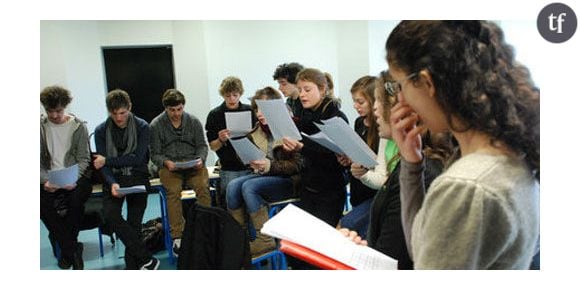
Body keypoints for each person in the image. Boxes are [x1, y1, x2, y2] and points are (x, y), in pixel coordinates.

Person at [387, 21, 540, 269]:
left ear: (426, 83)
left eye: (399, 85)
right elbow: (423, 246)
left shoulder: (467, 187)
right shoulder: (509, 153)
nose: (400, 99)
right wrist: (411, 163)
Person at [339, 71, 448, 269]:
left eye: (379, 101)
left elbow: (391, 262)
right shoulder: (411, 161)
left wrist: (349, 254)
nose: (375, 108)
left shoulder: (422, 172)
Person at [226, 86, 302, 257]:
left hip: (290, 181)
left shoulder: (290, 128)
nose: (259, 113)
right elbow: (248, 158)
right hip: (266, 177)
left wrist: (269, 166)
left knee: (249, 187)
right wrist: (246, 156)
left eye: (263, 109)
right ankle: (240, 238)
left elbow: (297, 166)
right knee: (232, 186)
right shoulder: (256, 130)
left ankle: (265, 240)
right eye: (256, 108)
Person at [93, 89, 159, 270]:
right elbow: (101, 165)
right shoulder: (100, 130)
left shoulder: (142, 126)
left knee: (134, 223)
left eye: (122, 113)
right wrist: (112, 182)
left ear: (129, 107)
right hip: (113, 179)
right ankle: (147, 259)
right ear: (109, 112)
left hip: (137, 175)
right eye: (114, 114)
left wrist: (107, 160)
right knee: (110, 215)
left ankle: (132, 267)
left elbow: (137, 158)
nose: (119, 118)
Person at [282, 68, 349, 227]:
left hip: (329, 190)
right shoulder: (305, 116)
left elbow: (334, 159)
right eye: (299, 90)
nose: (302, 94)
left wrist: (301, 147)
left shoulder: (336, 117)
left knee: (322, 242)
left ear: (322, 89)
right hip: (308, 186)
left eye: (307, 90)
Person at [150, 88, 210, 257]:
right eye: (172, 110)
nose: (176, 113)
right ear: (165, 109)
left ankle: (206, 229)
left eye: (179, 109)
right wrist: (165, 163)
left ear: (183, 106)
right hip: (171, 167)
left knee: (203, 187)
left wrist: (200, 159)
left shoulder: (194, 122)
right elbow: (154, 153)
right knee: (173, 191)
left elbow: (202, 146)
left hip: (193, 165)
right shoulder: (156, 125)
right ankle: (178, 236)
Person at [40, 85, 92, 270]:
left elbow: (84, 158)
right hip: (48, 177)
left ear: (66, 106)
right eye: (50, 111)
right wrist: (45, 180)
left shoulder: (78, 126)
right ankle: (72, 249)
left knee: (76, 201)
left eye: (59, 110)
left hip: (75, 177)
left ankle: (65, 250)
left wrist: (73, 179)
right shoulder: (39, 128)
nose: (54, 115)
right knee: (42, 205)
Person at [337, 75, 383, 239]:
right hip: (358, 187)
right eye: (354, 102)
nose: (356, 106)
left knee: (349, 230)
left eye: (360, 102)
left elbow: (380, 165)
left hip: (373, 192)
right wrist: (348, 160)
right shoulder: (358, 122)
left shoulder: (383, 129)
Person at [205, 76, 257, 209]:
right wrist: (221, 139)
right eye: (228, 96)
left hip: (250, 165)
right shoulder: (215, 115)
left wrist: (253, 134)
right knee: (231, 205)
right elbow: (212, 146)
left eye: (235, 95)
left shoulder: (250, 111)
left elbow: (260, 139)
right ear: (223, 95)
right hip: (229, 167)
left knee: (251, 204)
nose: (232, 99)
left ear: (241, 94)